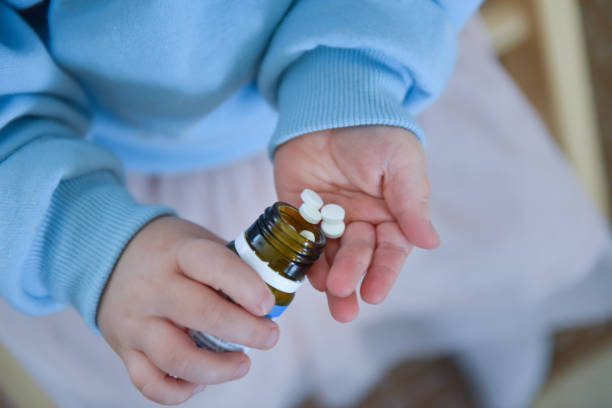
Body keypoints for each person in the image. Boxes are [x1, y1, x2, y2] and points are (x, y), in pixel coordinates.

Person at [2, 2, 611, 408]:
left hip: (370, 72)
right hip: (96, 171)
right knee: (209, 361)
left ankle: (489, 320)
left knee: (487, 247)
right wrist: (80, 234)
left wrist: (352, 70)